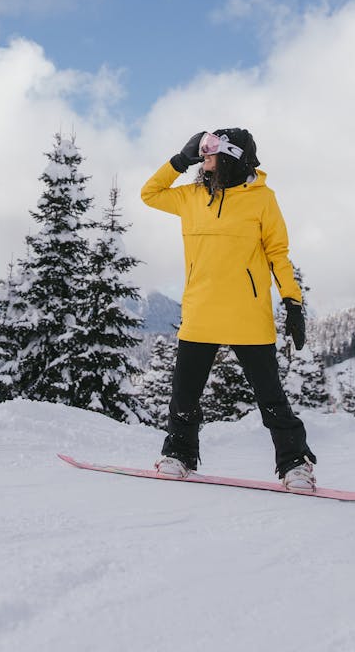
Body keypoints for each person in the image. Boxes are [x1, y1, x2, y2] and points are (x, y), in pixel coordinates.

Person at [140, 128, 317, 494]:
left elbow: (278, 254)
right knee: (184, 396)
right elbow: (149, 194)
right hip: (200, 313)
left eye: (209, 152)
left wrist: (292, 301)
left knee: (271, 398)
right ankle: (179, 455)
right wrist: (177, 161)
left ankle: (295, 464)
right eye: (201, 151)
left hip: (247, 316)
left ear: (231, 156)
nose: (202, 157)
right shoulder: (190, 197)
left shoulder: (262, 199)